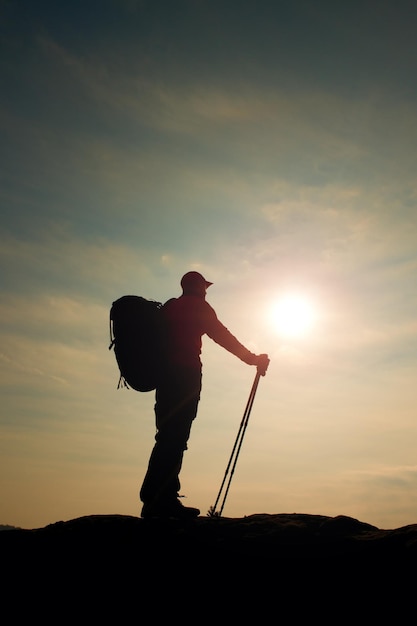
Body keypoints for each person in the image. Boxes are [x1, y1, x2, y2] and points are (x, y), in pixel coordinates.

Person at [140, 271, 270, 519]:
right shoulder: (199, 307)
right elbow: (223, 337)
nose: (206, 290)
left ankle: (153, 500)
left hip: (164, 380)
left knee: (166, 436)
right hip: (185, 378)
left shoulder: (170, 307)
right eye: (205, 286)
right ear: (198, 287)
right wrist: (252, 359)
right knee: (176, 437)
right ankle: (163, 501)